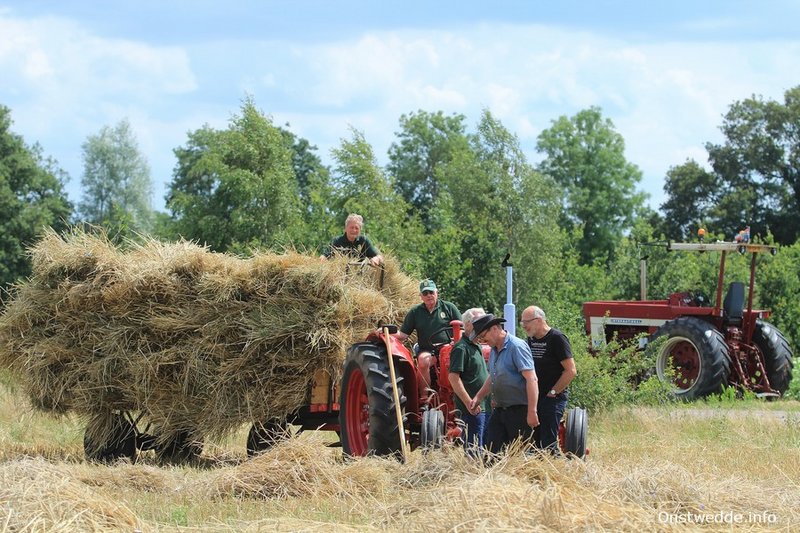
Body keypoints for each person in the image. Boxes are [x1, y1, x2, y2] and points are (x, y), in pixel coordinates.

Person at [469, 313, 539, 454]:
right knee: (491, 453)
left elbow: (532, 379)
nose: (482, 340)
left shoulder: (516, 347)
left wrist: (532, 411)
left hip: (519, 411)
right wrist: (478, 397)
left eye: (483, 336)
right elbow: (493, 377)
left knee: (519, 455)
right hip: (501, 410)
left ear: (495, 329)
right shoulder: (494, 350)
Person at [521, 305, 577, 454]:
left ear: (539, 320)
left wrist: (553, 392)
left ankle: (554, 466)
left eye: (526, 322)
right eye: (522, 322)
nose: (524, 326)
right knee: (534, 441)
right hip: (535, 397)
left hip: (553, 398)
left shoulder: (557, 338)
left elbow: (571, 371)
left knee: (548, 443)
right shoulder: (530, 340)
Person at [394, 279, 461, 400]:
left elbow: (461, 329)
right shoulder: (415, 312)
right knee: (423, 361)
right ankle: (425, 398)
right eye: (425, 293)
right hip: (428, 350)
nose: (429, 295)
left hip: (449, 348)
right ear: (421, 296)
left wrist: (454, 341)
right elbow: (403, 335)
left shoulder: (449, 307)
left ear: (437, 293)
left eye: (431, 292)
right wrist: (388, 332)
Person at [448, 308, 490, 452]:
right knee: (474, 449)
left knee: (483, 447)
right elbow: (453, 377)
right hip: (472, 409)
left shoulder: (476, 345)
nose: (484, 327)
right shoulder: (461, 348)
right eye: (480, 323)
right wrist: (469, 403)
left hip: (484, 405)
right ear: (468, 324)